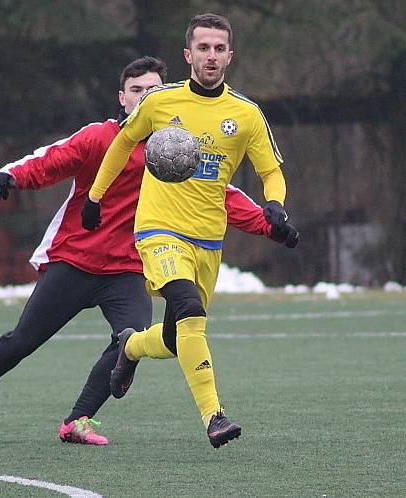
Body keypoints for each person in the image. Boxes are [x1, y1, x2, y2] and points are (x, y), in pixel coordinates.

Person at [0, 56, 298, 445]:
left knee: (127, 341)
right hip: (76, 260)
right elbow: (53, 158)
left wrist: (271, 225)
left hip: (130, 268)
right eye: (137, 90)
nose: (146, 96)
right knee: (23, 341)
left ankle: (77, 420)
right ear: (123, 98)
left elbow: (221, 196)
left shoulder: (178, 150)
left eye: (153, 90)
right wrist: (11, 175)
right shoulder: (102, 138)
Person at [82, 14, 297, 449]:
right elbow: (123, 143)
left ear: (230, 56)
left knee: (175, 336)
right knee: (189, 309)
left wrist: (275, 203)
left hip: (208, 239)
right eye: (203, 48)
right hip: (159, 229)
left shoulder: (245, 114)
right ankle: (213, 416)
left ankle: (131, 347)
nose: (211, 56)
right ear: (188, 55)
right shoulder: (160, 102)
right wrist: (94, 197)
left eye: (219, 48)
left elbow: (271, 170)